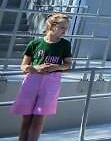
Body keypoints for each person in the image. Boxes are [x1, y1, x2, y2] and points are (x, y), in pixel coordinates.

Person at [11, 13, 72, 141]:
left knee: (39, 118)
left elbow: (67, 65)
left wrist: (56, 67)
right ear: (52, 26)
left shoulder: (65, 44)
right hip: (32, 81)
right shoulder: (35, 43)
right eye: (62, 27)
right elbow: (23, 66)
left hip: (50, 83)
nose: (65, 31)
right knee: (26, 118)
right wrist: (36, 68)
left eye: (66, 28)